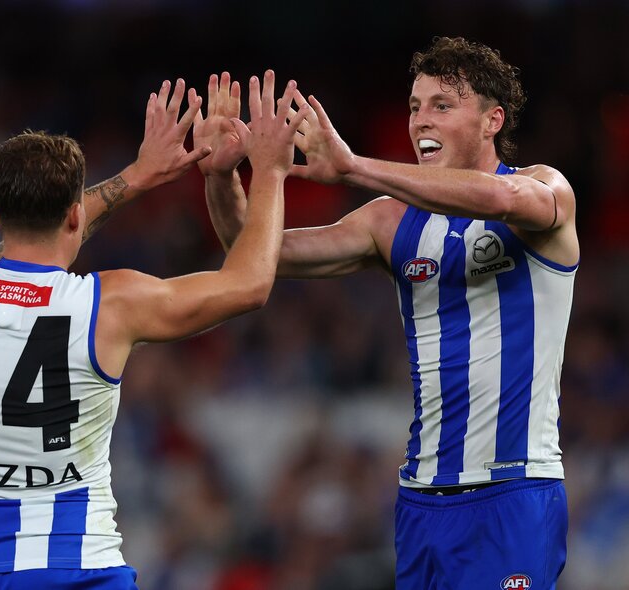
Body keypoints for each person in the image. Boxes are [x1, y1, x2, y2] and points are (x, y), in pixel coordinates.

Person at [198, 38, 579, 589]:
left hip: (513, 492)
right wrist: (220, 176)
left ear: (493, 120)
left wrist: (352, 166)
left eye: (442, 106)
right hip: (421, 501)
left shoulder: (545, 188)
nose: (420, 120)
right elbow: (255, 250)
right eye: (414, 106)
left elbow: (503, 200)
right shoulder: (389, 221)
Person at [0, 71, 310, 589]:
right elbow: (249, 285)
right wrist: (267, 170)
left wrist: (136, 176)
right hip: (81, 570)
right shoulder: (109, 304)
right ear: (73, 216)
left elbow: (15, 260)